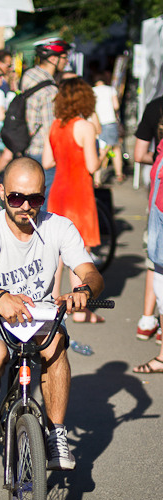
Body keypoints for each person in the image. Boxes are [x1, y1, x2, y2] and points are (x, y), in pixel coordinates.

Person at [0, 157, 104, 469]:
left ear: (44, 195)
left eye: (35, 199)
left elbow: (92, 274)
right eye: (16, 198)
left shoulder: (59, 227)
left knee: (56, 346)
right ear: (2, 192)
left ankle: (56, 433)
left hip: (40, 314)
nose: (25, 206)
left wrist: (83, 291)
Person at [43, 77, 105, 324]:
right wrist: (104, 153)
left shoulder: (55, 125)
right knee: (80, 251)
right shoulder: (85, 127)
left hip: (58, 190)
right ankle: (79, 308)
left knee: (57, 250)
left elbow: (47, 161)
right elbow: (92, 165)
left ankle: (52, 301)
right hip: (79, 193)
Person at [20, 39, 70, 204]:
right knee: (44, 202)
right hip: (43, 151)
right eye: (64, 57)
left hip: (29, 146)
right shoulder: (50, 90)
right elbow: (51, 129)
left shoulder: (29, 76)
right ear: (53, 59)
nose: (66, 62)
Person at [133, 94, 163, 344]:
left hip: (156, 199)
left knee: (154, 259)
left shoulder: (155, 107)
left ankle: (146, 319)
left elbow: (138, 154)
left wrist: (158, 161)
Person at [92, 74, 124, 185]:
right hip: (110, 121)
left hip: (97, 122)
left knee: (100, 149)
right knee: (115, 148)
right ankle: (119, 174)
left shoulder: (92, 91)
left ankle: (97, 178)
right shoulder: (110, 89)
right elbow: (116, 106)